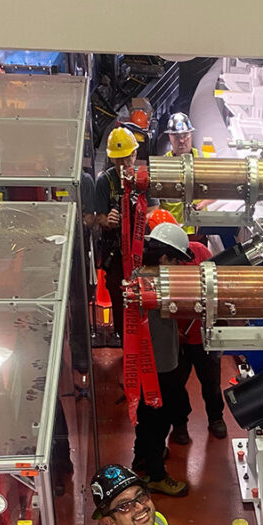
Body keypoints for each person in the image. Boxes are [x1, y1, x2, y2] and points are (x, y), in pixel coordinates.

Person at [131, 221, 192, 497]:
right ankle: (156, 475)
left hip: (148, 362)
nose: (178, 266)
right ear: (164, 258)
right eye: (176, 261)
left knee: (146, 415)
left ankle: (142, 457)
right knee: (159, 419)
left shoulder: (138, 275)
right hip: (159, 366)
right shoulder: (158, 285)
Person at [171, 232, 228, 444]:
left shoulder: (200, 252)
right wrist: (170, 332)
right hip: (176, 338)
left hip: (203, 335)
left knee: (211, 382)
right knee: (175, 385)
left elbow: (217, 285)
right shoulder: (160, 264)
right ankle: (179, 424)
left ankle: (216, 418)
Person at [94, 126, 142, 339]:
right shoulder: (105, 181)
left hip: (141, 251)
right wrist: (108, 221)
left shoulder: (143, 179)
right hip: (115, 254)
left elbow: (154, 209)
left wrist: (138, 217)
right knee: (118, 295)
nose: (124, 163)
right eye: (118, 159)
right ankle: (124, 337)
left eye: (127, 157)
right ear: (112, 159)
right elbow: (98, 217)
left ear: (135, 154)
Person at [160, 111, 199, 233]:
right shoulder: (162, 165)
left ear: (191, 134)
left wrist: (200, 206)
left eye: (185, 135)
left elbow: (217, 189)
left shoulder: (203, 160)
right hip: (171, 231)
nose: (182, 140)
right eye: (177, 137)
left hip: (197, 230)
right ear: (170, 137)